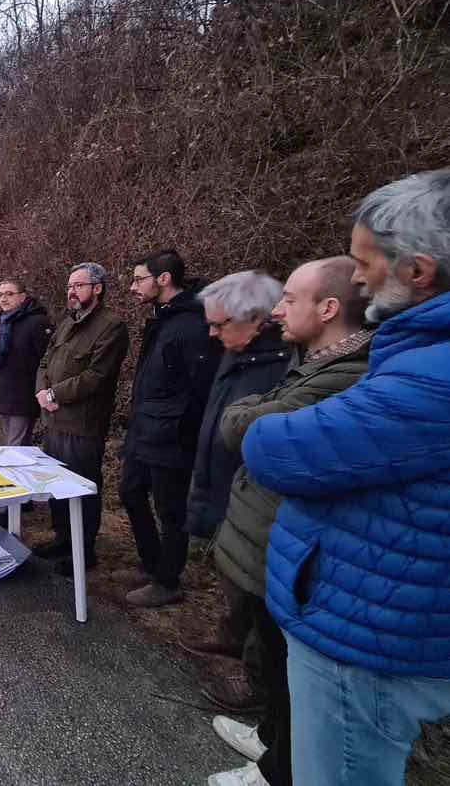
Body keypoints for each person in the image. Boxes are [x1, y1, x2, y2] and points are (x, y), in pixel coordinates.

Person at [242, 171, 450, 786]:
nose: (358, 277)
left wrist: (256, 424)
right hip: (373, 608)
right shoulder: (411, 358)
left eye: (365, 261)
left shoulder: (427, 378)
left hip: (370, 637)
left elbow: (274, 445)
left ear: (418, 270)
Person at [206, 257, 372, 786]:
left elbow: (248, 424)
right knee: (273, 655)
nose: (278, 309)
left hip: (290, 539)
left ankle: (279, 771)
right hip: (267, 535)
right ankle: (271, 740)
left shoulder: (348, 374)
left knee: (289, 665)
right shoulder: (313, 362)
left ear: (327, 308)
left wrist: (248, 415)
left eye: (290, 300)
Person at [180, 270, 291, 709]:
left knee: (258, 593)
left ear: (257, 318)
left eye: (219, 324)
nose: (211, 333)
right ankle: (233, 638)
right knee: (235, 577)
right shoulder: (236, 351)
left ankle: (257, 687)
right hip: (223, 479)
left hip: (254, 494)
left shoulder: (283, 364)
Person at [117, 249, 220, 607]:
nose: (132, 287)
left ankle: (167, 580)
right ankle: (151, 562)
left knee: (170, 510)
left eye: (138, 279)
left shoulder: (192, 324)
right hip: (144, 427)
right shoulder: (162, 317)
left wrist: (184, 434)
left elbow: (200, 387)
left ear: (163, 279)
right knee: (130, 491)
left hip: (171, 436)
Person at [33, 263, 130, 572]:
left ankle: (83, 553)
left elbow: (95, 377)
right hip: (54, 422)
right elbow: (45, 360)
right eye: (69, 287)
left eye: (79, 285)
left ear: (97, 288)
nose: (71, 292)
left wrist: (54, 395)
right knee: (56, 486)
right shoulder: (66, 322)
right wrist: (41, 391)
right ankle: (62, 538)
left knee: (82, 489)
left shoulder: (111, 327)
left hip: (83, 426)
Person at [0, 278, 53, 446]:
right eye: (1, 294)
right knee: (8, 447)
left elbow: (48, 360)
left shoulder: (37, 322)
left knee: (15, 450)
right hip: (2, 396)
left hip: (23, 399)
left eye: (9, 294)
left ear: (23, 297)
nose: (4, 299)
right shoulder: (1, 321)